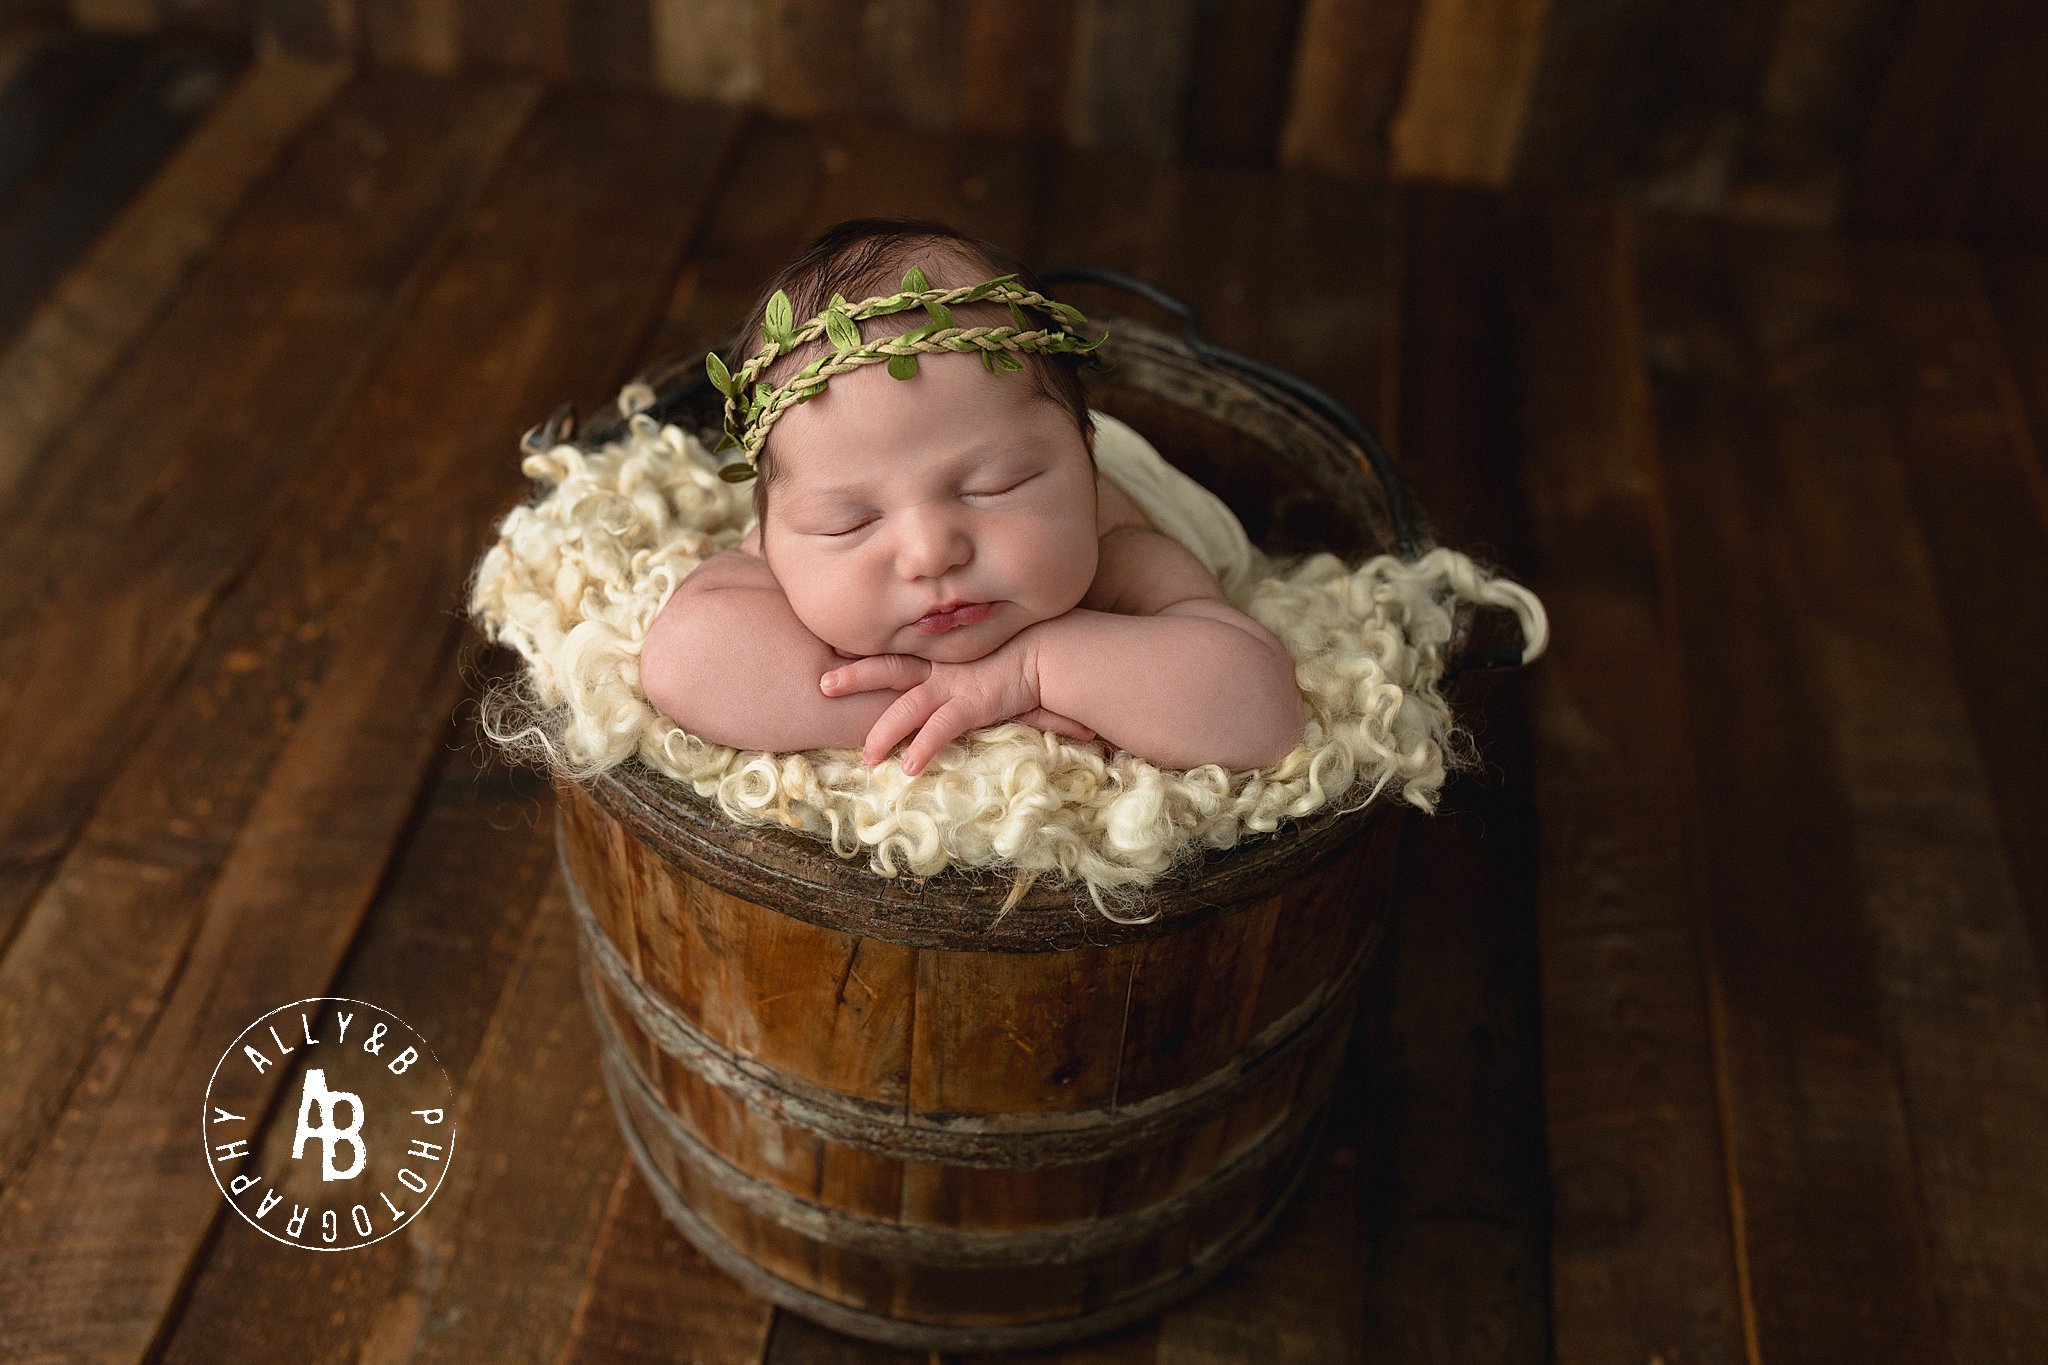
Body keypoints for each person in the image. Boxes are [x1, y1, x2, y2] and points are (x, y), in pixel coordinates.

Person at [640, 218, 1303, 777]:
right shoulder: (797, 537)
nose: (930, 552)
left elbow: (1262, 711)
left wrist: (1032, 672)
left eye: (994, 487)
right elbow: (684, 657)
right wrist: (935, 705)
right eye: (853, 521)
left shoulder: (1117, 551)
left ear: (1084, 464)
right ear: (777, 531)